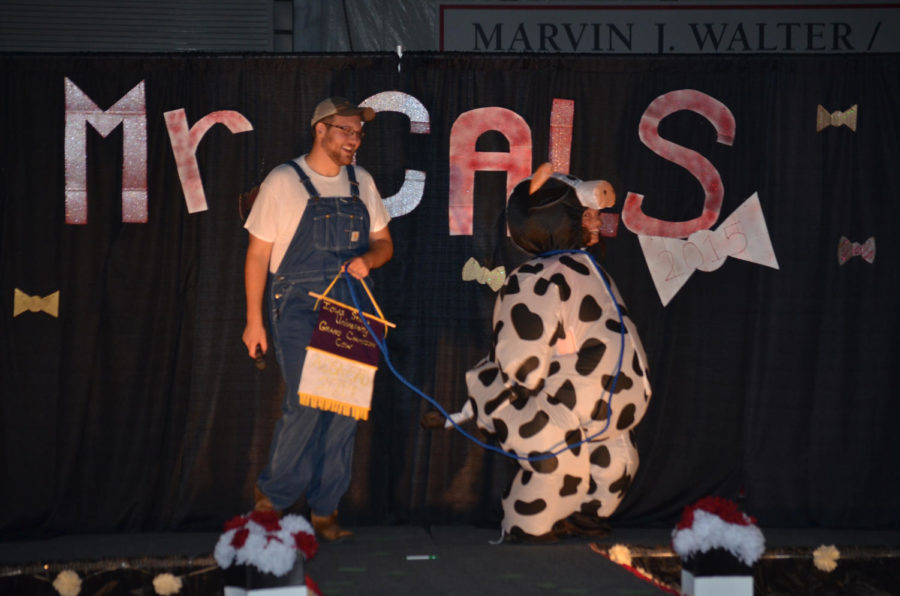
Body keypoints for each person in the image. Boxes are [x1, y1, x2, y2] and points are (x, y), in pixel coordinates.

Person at [242, 97, 393, 541]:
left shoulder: (360, 180)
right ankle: (272, 500)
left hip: (351, 302)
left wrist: (369, 259)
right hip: (298, 302)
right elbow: (257, 256)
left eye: (358, 133)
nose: (354, 140)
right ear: (320, 130)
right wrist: (254, 320)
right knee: (307, 399)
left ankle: (325, 510)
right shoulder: (284, 181)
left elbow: (385, 245)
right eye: (345, 130)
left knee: (343, 407)